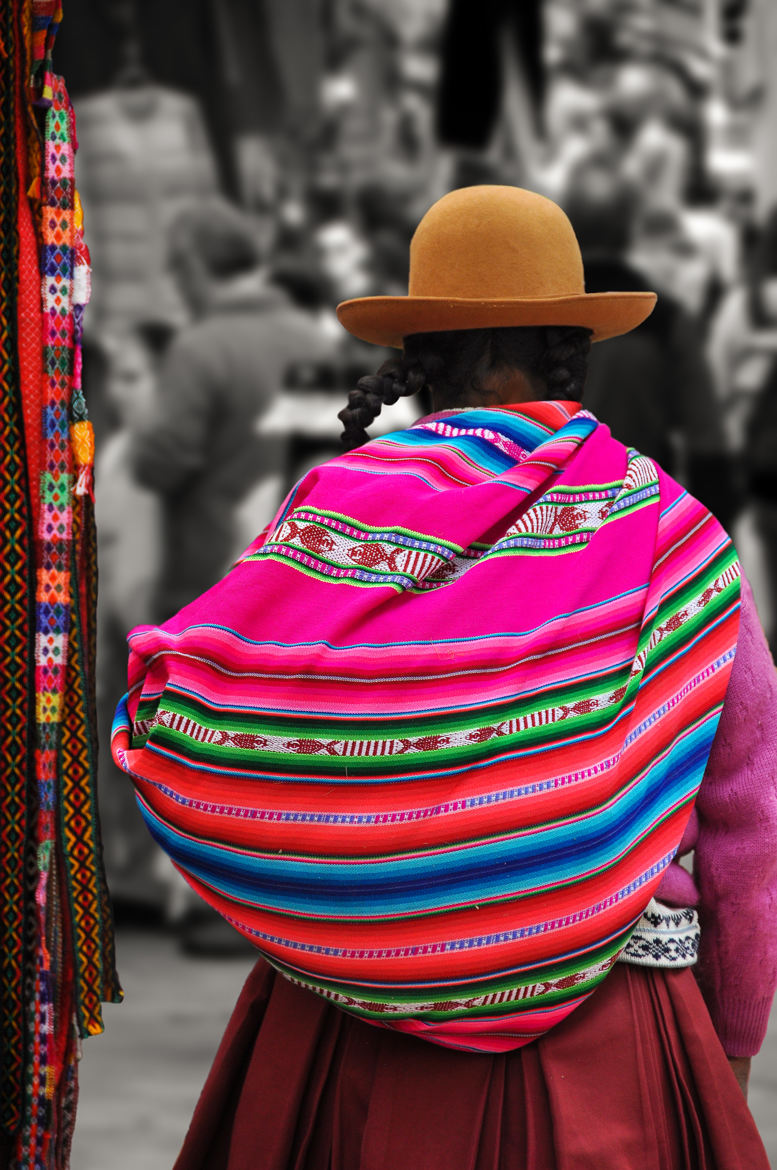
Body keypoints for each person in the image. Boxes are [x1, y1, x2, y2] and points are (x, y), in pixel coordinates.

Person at [113, 186, 777, 1169]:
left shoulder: (332, 507)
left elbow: (192, 703)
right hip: (610, 1036)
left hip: (339, 1029)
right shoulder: (667, 531)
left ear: (421, 352)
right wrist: (727, 1036)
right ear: (575, 346)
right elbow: (745, 819)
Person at [131, 195, 336, 623]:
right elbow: (336, 456)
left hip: (213, 590)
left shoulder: (198, 351)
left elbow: (158, 465)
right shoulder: (313, 341)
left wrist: (141, 421)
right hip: (307, 577)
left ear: (191, 268)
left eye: (175, 271)